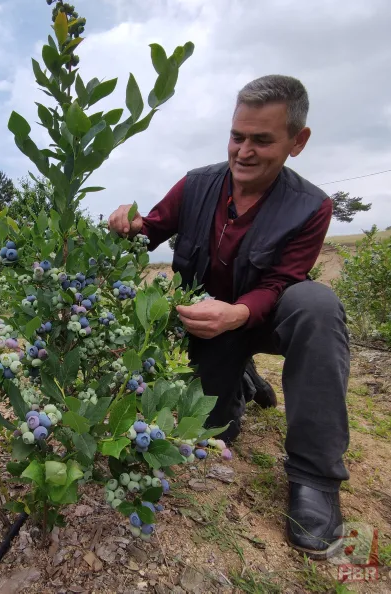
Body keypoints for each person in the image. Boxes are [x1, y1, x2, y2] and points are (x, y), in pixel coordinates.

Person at [108, 75, 350, 558]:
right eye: (238, 136)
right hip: (207, 329)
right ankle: (238, 375)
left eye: (262, 140)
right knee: (216, 428)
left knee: (317, 305)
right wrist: (127, 226)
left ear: (297, 142)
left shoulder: (311, 206)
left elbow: (281, 283)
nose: (244, 150)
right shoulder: (197, 185)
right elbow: (150, 230)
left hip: (259, 318)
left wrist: (238, 313)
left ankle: (314, 478)